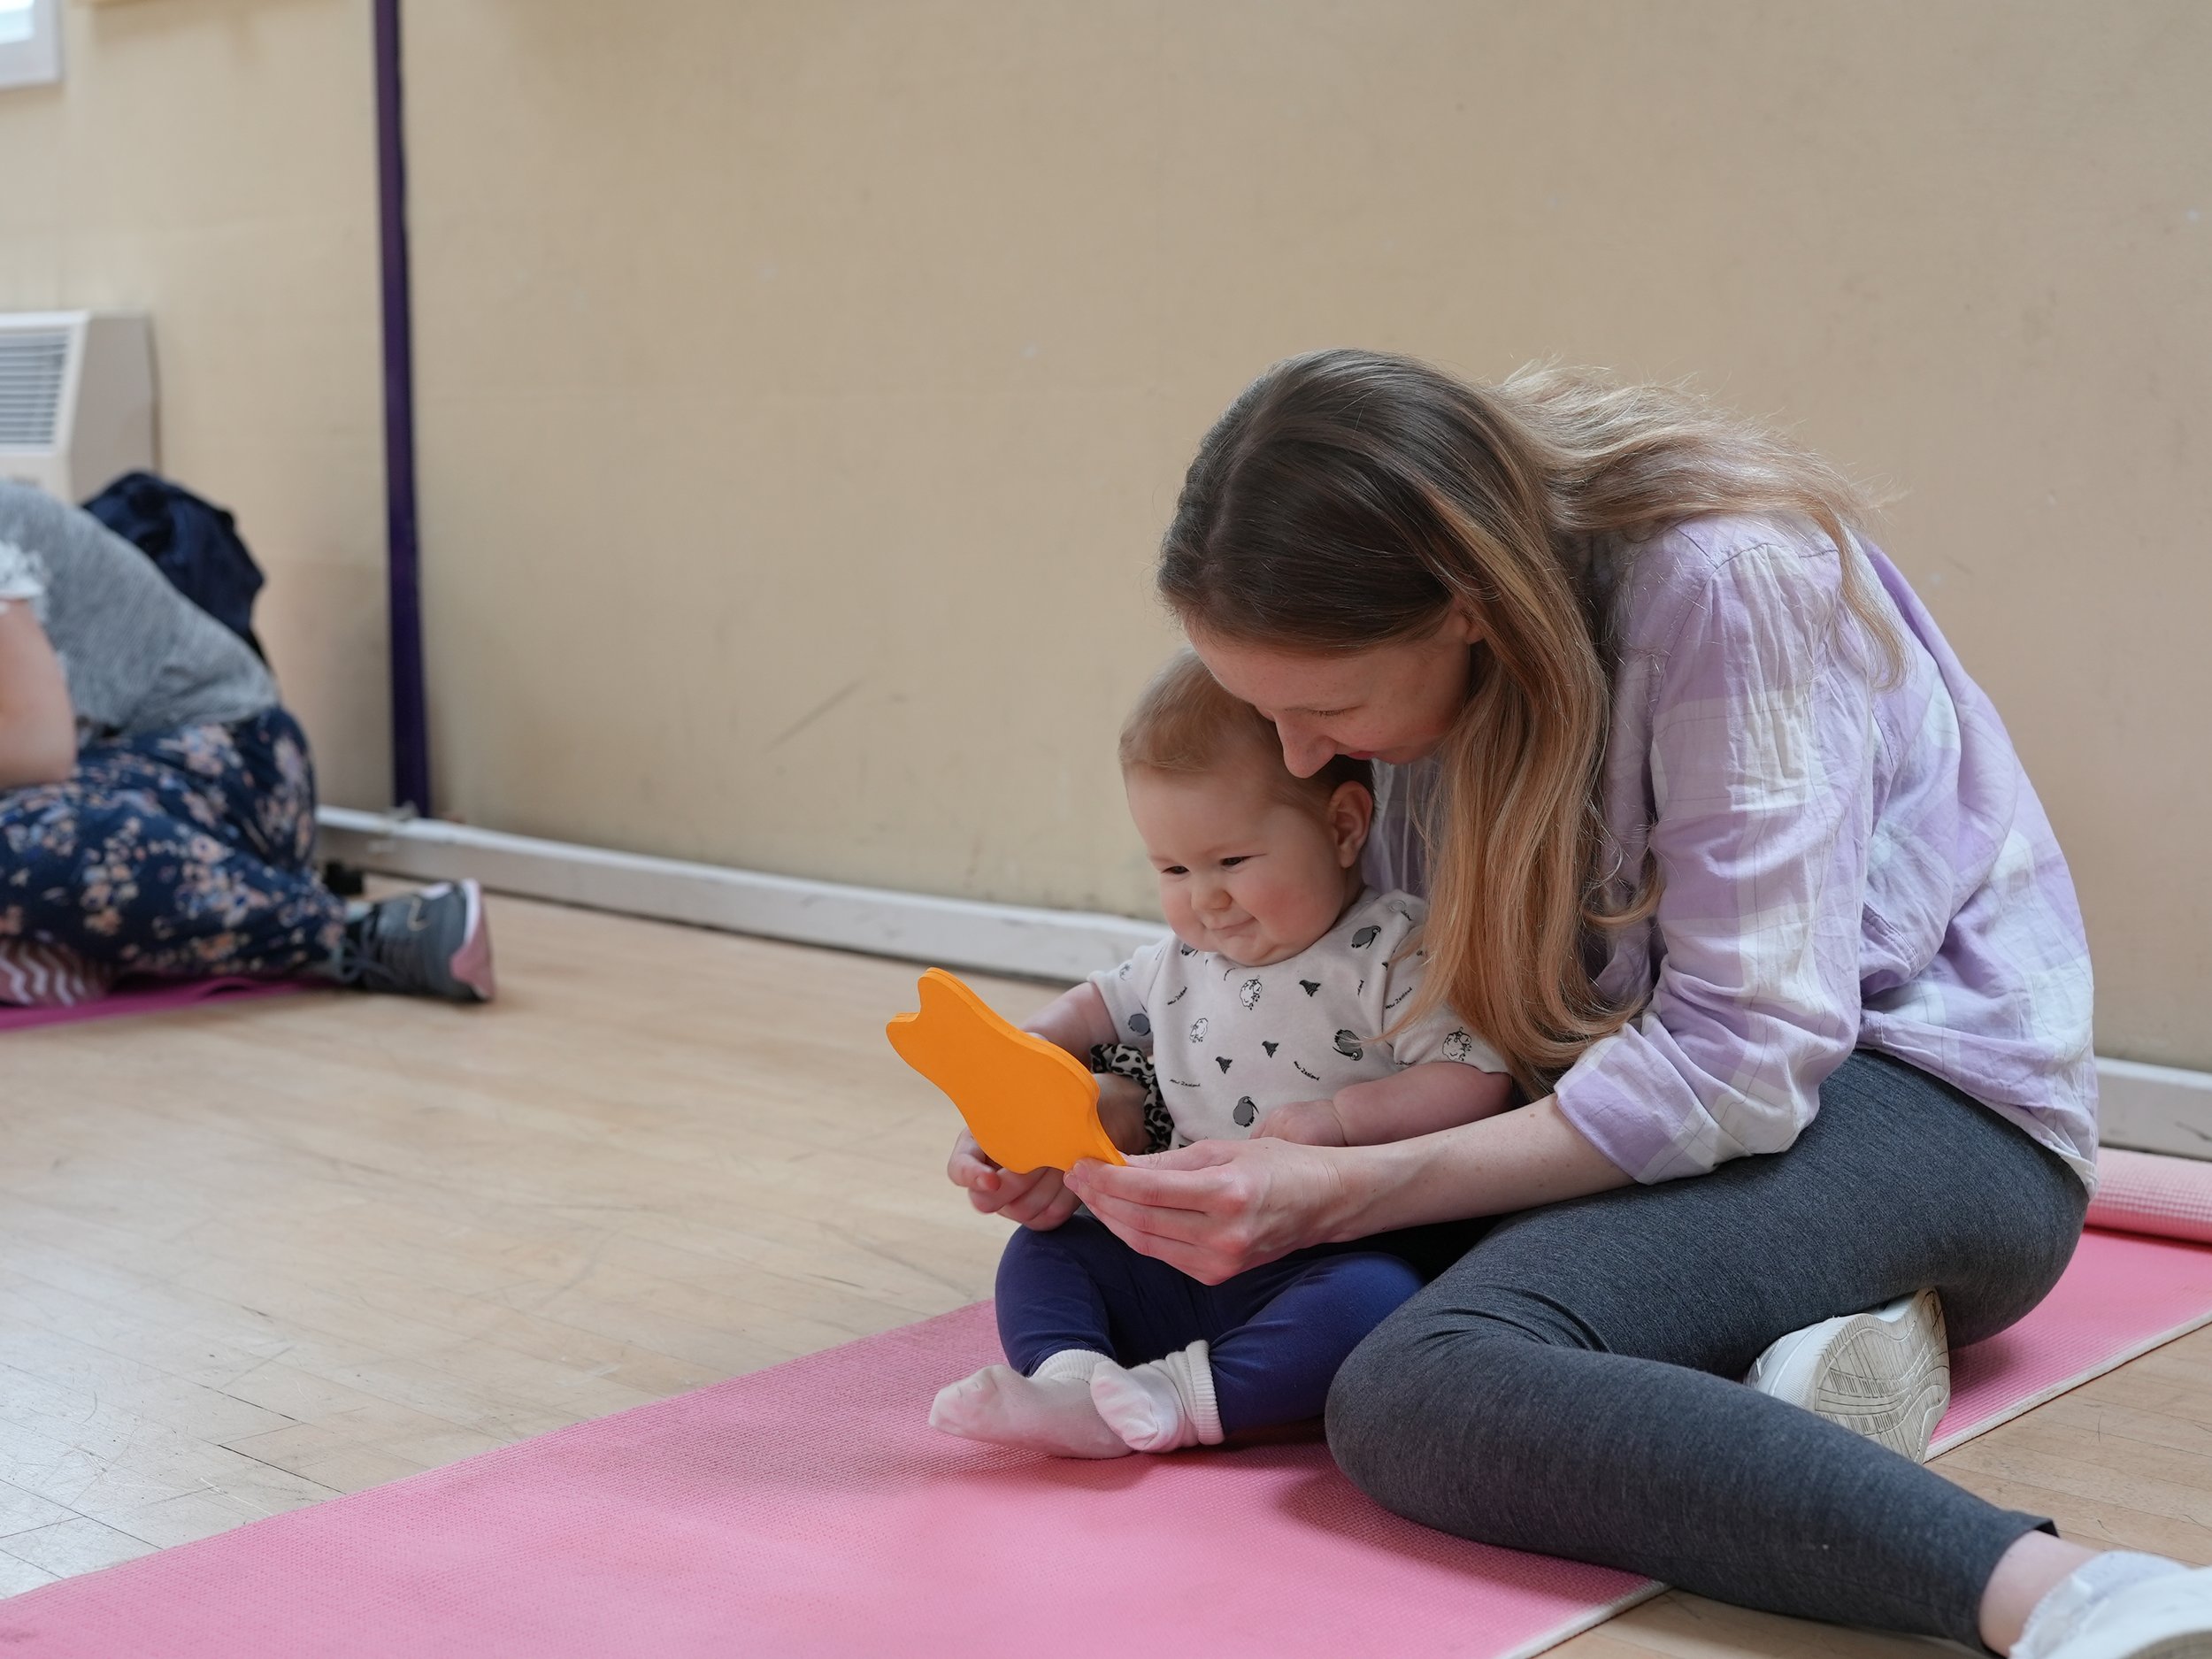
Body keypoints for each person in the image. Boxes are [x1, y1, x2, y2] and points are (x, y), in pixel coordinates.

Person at [956, 352, 2211, 1658]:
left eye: (1322, 708)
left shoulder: (1728, 581)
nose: (1298, 758)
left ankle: (2079, 1593)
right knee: (1236, 1282)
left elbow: (1743, 1058)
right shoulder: (1384, 687)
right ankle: (1777, 1340)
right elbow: (1335, 978)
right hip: (1612, 1102)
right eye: (1266, 710)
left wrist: (1347, 1183)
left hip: (1915, 1102)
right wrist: (1114, 1114)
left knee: (1422, 1383)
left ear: (1467, 606)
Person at [935, 650, 1512, 1457]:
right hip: (1180, 1243)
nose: (1203, 897)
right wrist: (1020, 1058)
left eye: (1232, 861)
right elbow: (1090, 1006)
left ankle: (1173, 1399)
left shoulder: (1396, 947)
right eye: (1173, 868)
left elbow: (1475, 1078)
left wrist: (1342, 1120)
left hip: (1328, 1251)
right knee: (1045, 1252)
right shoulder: (1176, 961)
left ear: (1343, 826)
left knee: (1372, 1304)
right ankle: (1070, 1381)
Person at [0, 481, 492, 1005]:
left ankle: (357, 934)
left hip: (232, 761)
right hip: (104, 790)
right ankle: (76, 949)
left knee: (19, 841)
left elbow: (42, 746)